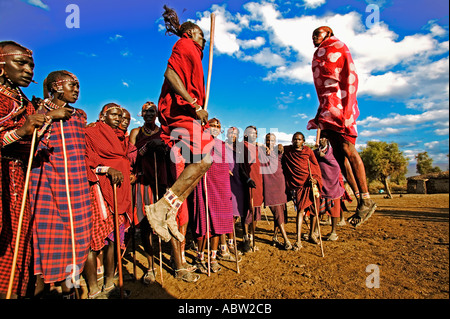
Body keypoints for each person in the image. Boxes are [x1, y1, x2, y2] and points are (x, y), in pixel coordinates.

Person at [0, 41, 66, 298]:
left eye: (31, 65)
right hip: (4, 178)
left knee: (19, 244)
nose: (28, 70)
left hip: (20, 181)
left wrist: (44, 119)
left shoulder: (25, 101)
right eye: (21, 63)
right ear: (2, 66)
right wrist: (21, 131)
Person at [145, 5, 215, 244]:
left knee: (202, 161)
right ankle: (161, 207)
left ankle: (170, 209)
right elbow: (170, 75)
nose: (204, 39)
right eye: (201, 35)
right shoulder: (185, 45)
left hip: (187, 113)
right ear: (191, 32)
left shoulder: (193, 52)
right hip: (181, 111)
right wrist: (195, 104)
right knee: (205, 159)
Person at [29, 70, 92, 299]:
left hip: (77, 185)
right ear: (56, 87)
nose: (76, 89)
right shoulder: (37, 111)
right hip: (47, 183)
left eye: (78, 85)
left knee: (79, 237)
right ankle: (43, 290)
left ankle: (69, 289)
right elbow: (30, 141)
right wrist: (51, 117)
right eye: (71, 85)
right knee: (48, 238)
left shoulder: (80, 115)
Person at [307, 26, 376, 227]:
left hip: (341, 107)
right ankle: (360, 199)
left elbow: (350, 77)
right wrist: (320, 112)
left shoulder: (339, 47)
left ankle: (366, 197)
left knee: (347, 148)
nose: (314, 37)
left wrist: (347, 110)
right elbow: (321, 88)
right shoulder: (318, 55)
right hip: (327, 109)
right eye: (312, 34)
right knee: (337, 156)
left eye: (317, 34)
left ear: (329, 34)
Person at [129, 102, 198, 283]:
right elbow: (130, 156)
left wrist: (163, 147)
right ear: (141, 114)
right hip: (144, 182)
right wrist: (147, 148)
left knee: (170, 220)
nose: (149, 113)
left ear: (158, 114)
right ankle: (151, 268)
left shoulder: (164, 132)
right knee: (146, 224)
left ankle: (178, 264)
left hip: (163, 182)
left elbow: (174, 154)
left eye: (153, 111)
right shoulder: (136, 132)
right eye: (146, 111)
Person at [83, 103, 132, 299]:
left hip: (118, 193)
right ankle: (94, 289)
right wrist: (106, 170)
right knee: (92, 241)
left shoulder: (121, 138)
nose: (119, 118)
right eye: (114, 114)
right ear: (102, 116)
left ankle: (109, 284)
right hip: (96, 192)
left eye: (121, 115)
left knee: (114, 239)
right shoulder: (90, 133)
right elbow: (85, 160)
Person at [192, 118, 234, 274]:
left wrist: (226, 172)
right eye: (212, 126)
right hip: (204, 183)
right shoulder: (200, 142)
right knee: (203, 222)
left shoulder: (223, 145)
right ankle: (199, 257)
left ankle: (214, 257)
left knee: (219, 222)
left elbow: (225, 164)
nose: (215, 128)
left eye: (218, 126)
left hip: (221, 186)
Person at [282, 132, 322, 250]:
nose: (297, 141)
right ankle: (298, 240)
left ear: (303, 141)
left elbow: (315, 166)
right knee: (300, 210)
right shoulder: (288, 151)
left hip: (310, 184)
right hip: (299, 186)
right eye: (294, 139)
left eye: (299, 139)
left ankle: (312, 234)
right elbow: (277, 148)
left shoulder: (308, 151)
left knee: (314, 211)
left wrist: (315, 179)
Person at [261, 133, 292, 250]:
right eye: (268, 140)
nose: (270, 142)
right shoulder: (261, 152)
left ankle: (275, 237)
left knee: (280, 213)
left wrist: (280, 145)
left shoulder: (279, 152)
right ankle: (286, 240)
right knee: (278, 213)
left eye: (273, 140)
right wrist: (262, 147)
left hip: (280, 186)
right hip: (269, 187)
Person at [313, 136, 345, 241]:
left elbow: (337, 165)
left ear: (328, 140)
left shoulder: (333, 152)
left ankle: (333, 232)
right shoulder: (315, 152)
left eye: (324, 138)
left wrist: (325, 157)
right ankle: (316, 231)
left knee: (334, 210)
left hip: (333, 184)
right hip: (321, 184)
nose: (321, 139)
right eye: (320, 138)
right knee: (317, 210)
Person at [221, 126, 245, 259]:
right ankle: (224, 245)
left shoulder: (239, 149)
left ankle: (230, 241)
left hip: (237, 183)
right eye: (230, 133)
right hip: (225, 181)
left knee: (234, 216)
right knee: (226, 215)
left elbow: (241, 167)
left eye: (235, 134)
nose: (232, 136)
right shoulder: (222, 146)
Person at [241, 125, 264, 253]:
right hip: (246, 183)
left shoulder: (258, 149)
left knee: (255, 212)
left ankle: (252, 236)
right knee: (246, 212)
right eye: (250, 133)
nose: (253, 135)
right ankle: (245, 239)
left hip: (258, 183)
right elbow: (240, 167)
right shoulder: (241, 147)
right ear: (245, 135)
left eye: (255, 133)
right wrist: (247, 179)